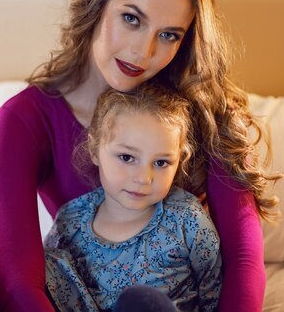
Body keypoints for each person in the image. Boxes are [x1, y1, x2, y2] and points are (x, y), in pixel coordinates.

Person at [0, 0, 280, 312]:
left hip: (159, 303)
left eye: (168, 35)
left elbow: (245, 258)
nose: (142, 51)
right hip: (71, 295)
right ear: (99, 3)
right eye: (131, 19)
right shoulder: (25, 119)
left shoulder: (207, 111)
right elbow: (16, 277)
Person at [44, 83, 221, 312]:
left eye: (161, 163)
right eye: (127, 157)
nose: (143, 178)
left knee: (140, 302)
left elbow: (213, 293)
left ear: (179, 160)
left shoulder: (187, 219)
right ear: (94, 148)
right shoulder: (71, 220)